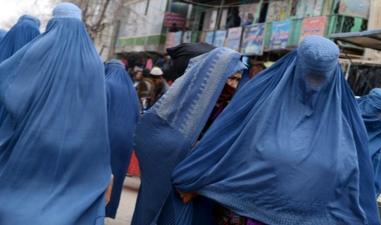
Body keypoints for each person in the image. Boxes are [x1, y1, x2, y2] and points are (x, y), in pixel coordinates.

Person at [172, 36, 381, 225]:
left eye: (320, 78)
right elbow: (224, 138)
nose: (313, 86)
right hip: (246, 215)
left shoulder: (346, 120)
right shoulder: (260, 97)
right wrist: (193, 176)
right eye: (308, 75)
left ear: (333, 74)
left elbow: (356, 182)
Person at [0, 3, 112, 225]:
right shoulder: (95, 62)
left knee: (21, 199)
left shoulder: (38, 51)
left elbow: (7, 82)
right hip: (81, 149)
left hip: (35, 142)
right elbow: (100, 113)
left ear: (53, 22)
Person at [131, 47, 246, 225]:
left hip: (203, 192)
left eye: (238, 80)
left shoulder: (231, 112)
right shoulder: (183, 102)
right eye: (230, 78)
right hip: (169, 186)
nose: (233, 85)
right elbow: (149, 134)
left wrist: (195, 183)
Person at [104, 59, 141, 218]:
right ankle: (109, 210)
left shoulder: (105, 84)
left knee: (101, 175)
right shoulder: (132, 91)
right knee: (117, 177)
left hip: (106, 138)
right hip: (125, 143)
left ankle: (97, 209)